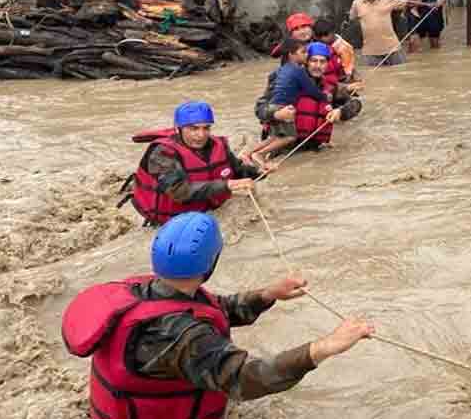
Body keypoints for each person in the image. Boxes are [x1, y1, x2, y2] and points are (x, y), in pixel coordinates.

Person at [62, 212, 375, 419]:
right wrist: (327, 346)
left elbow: (215, 308)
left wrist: (268, 294)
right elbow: (246, 379)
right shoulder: (184, 337)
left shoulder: (144, 288)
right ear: (210, 263)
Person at [123, 101, 270, 226]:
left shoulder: (218, 145)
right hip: (168, 221)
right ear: (178, 129)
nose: (201, 135)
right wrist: (228, 185)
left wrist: (260, 171)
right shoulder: (162, 153)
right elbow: (179, 191)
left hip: (206, 212)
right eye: (193, 128)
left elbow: (236, 170)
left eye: (206, 128)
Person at [246, 39, 330, 167]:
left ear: (328, 64)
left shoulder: (331, 86)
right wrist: (276, 114)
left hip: (309, 148)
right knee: (289, 136)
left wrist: (341, 111)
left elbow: (351, 105)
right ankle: (259, 154)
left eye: (322, 61)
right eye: (313, 60)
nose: (317, 65)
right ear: (306, 62)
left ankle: (249, 153)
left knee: (275, 137)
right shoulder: (293, 73)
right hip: (282, 134)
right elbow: (260, 109)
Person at [349, 0, 423, 67]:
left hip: (392, 48)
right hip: (370, 51)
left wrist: (429, 4)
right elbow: (352, 19)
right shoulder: (357, 3)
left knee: (401, 72)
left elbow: (407, 3)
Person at [314, 17, 357, 81]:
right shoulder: (320, 43)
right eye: (319, 36)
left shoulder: (343, 47)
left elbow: (348, 67)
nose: (322, 38)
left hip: (341, 77)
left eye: (325, 35)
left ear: (333, 31)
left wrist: (347, 78)